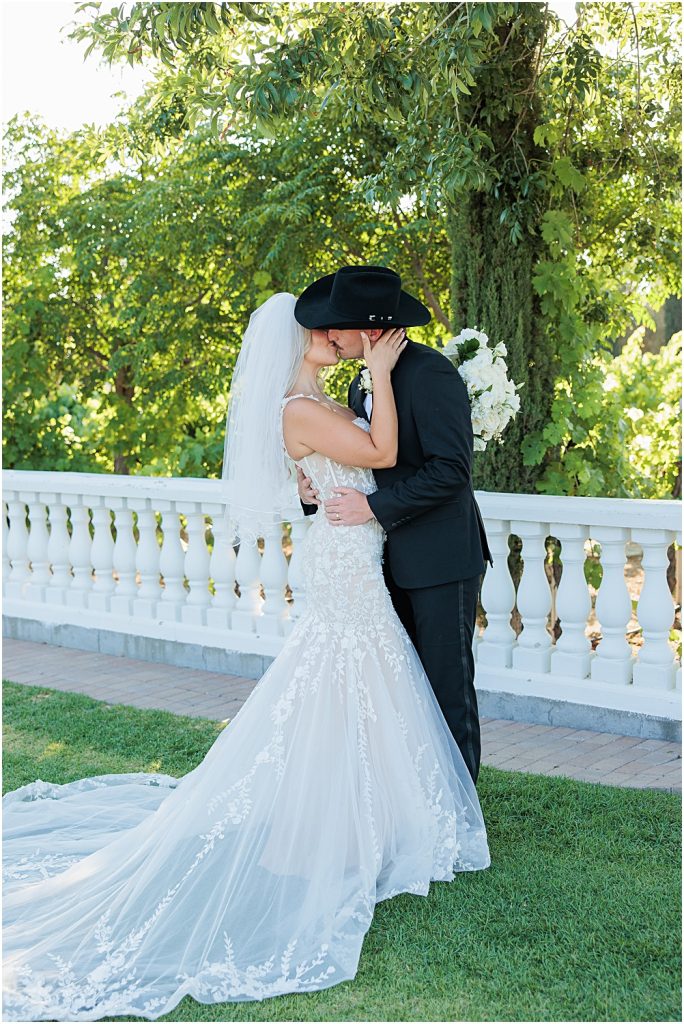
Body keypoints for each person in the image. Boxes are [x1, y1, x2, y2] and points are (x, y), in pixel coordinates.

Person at [2, 290, 490, 1022]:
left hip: (374, 554)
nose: (333, 336)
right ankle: (349, 822)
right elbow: (378, 454)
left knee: (385, 686)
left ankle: (398, 814)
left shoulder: (352, 388)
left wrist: (324, 477)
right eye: (321, 331)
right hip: (349, 564)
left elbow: (376, 468)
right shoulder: (317, 399)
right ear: (297, 343)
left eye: (337, 327)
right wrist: (366, 410)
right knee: (349, 683)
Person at [294, 265, 494, 785]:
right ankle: (414, 801)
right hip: (380, 561)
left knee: (446, 688)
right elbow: (356, 464)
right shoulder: (363, 384)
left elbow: (451, 472)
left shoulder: (429, 373)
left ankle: (462, 810)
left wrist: (374, 510)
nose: (330, 335)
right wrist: (312, 493)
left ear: (371, 329)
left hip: (439, 558)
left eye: (338, 325)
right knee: (405, 692)